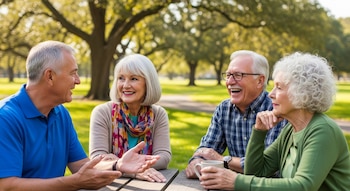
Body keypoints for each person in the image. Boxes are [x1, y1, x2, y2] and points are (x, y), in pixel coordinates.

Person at [0, 41, 159, 191]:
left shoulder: (60, 113)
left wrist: (118, 164)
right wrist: (73, 182)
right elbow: (7, 186)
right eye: (73, 73)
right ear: (50, 76)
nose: (78, 81)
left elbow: (80, 165)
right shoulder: (6, 118)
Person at [199, 52, 350, 190]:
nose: (270, 94)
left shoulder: (322, 131)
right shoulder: (290, 131)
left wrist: (235, 181)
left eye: (279, 87)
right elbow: (256, 171)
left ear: (301, 93)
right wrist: (259, 132)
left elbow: (303, 186)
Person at [185, 50, 286, 178]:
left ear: (260, 81)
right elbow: (207, 148)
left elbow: (268, 167)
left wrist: (221, 159)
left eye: (238, 75)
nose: (230, 82)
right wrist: (196, 161)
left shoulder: (277, 110)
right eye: (228, 75)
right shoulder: (224, 109)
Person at [89, 54, 171, 183]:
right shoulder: (102, 112)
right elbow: (97, 160)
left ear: (148, 83)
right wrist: (131, 170)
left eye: (133, 79)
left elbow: (164, 157)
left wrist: (114, 161)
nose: (125, 85)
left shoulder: (158, 114)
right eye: (121, 78)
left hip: (151, 185)